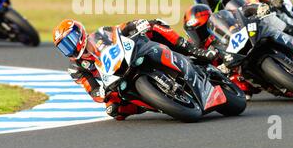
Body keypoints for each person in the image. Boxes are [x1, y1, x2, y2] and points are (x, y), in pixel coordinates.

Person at [53, 18, 218, 121]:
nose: (71, 47)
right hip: (114, 81)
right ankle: (153, 103)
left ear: (80, 33)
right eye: (65, 46)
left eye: (71, 40)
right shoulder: (76, 68)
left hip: (129, 57)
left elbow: (120, 29)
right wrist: (99, 94)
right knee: (114, 111)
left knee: (153, 26)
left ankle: (194, 51)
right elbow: (91, 89)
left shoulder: (100, 33)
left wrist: (136, 24)